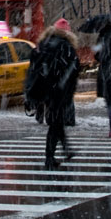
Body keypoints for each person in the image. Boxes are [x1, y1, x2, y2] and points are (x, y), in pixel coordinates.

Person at [27, 19, 80, 169]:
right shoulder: (66, 48)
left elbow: (33, 67)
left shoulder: (43, 45)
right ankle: (49, 157)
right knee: (55, 124)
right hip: (59, 91)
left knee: (56, 121)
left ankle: (66, 149)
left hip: (45, 90)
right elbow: (73, 70)